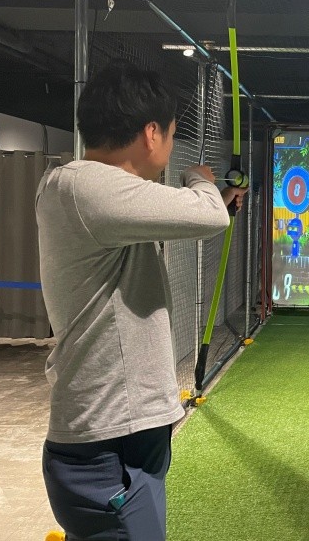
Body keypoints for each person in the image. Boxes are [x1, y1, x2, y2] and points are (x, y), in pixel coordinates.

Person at [36, 60, 246, 540]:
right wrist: (201, 179)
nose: (170, 148)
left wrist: (219, 197)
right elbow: (207, 215)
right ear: (151, 133)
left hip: (120, 434)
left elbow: (197, 213)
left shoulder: (90, 192)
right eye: (171, 134)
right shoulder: (84, 186)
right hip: (108, 444)